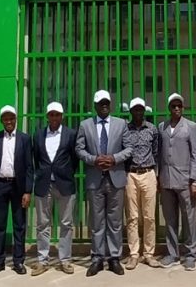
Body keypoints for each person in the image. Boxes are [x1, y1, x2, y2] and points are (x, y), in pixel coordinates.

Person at [75, 90, 133, 277]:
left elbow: (129, 148)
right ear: (95, 105)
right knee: (97, 221)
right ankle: (97, 258)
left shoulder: (121, 124)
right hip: (95, 178)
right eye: (101, 103)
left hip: (115, 178)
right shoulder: (85, 125)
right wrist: (94, 160)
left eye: (107, 102)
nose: (105, 105)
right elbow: (79, 149)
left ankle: (114, 258)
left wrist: (114, 158)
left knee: (115, 221)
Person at [0, 105, 34, 276]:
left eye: (11, 118)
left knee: (19, 225)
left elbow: (29, 167)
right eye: (5, 118)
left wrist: (27, 191)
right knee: (0, 225)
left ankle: (19, 261)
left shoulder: (24, 139)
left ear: (15, 119)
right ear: (1, 120)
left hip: (18, 186)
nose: (9, 121)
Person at [31, 102, 79, 276]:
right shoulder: (38, 135)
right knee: (42, 224)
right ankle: (42, 260)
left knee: (66, 224)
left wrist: (65, 173)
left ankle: (65, 260)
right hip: (44, 184)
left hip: (64, 184)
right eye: (51, 114)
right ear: (47, 116)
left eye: (57, 114)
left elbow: (74, 159)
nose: (54, 117)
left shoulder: (70, 134)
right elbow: (37, 159)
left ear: (62, 116)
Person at [157, 93, 196, 271]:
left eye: (179, 106)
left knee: (189, 219)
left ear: (183, 108)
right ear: (169, 108)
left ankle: (190, 254)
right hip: (166, 180)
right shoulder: (162, 126)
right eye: (173, 106)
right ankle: (172, 253)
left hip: (184, 180)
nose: (176, 108)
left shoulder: (191, 126)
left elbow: (195, 154)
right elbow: (159, 153)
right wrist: (158, 177)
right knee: (170, 219)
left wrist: (194, 180)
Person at [123, 98, 160, 269]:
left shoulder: (152, 129)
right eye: (135, 110)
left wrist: (155, 173)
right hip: (131, 174)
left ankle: (149, 254)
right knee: (132, 217)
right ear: (131, 111)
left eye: (140, 109)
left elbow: (156, 152)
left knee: (149, 217)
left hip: (148, 173)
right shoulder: (125, 130)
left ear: (144, 111)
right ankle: (133, 254)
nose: (138, 112)